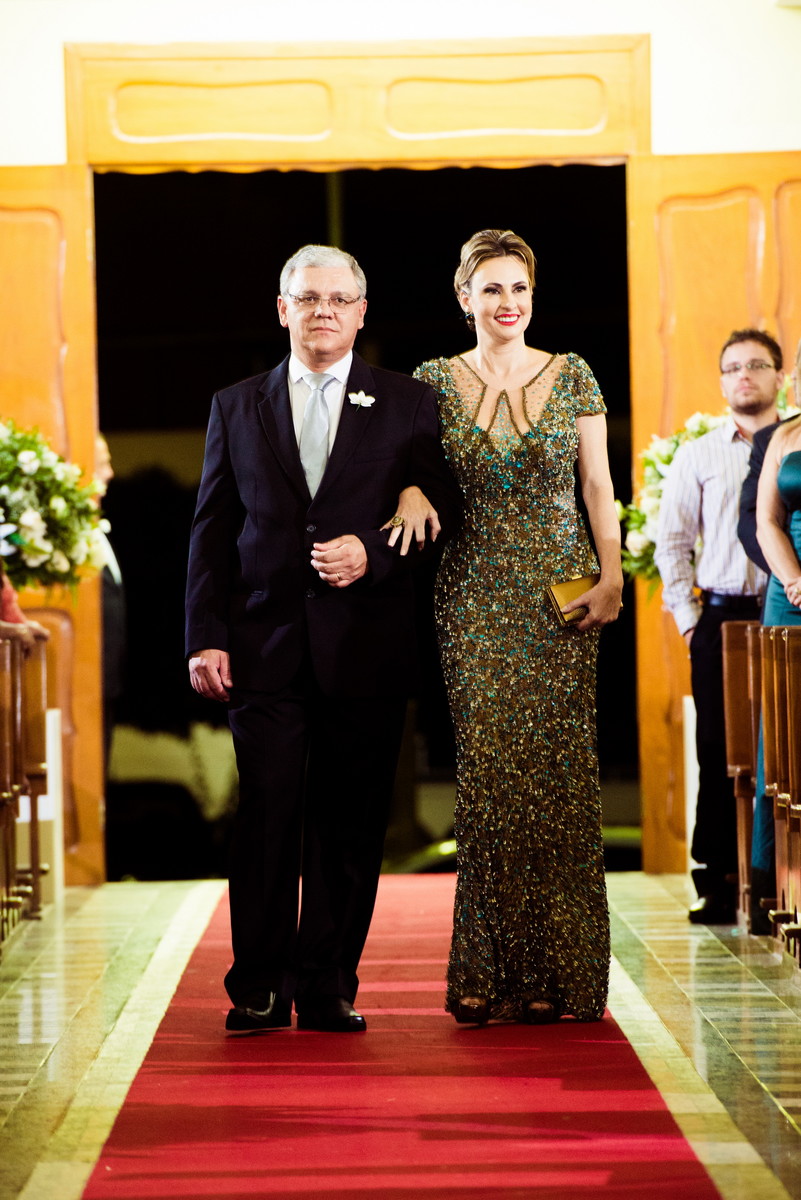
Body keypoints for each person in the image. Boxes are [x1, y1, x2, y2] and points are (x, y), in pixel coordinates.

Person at [185, 244, 460, 1035]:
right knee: (266, 815)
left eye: (339, 300)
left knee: (350, 822)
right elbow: (211, 529)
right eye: (308, 299)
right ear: (283, 310)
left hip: (366, 646)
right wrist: (205, 636)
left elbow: (442, 508)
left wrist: (372, 552)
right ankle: (258, 986)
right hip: (261, 645)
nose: (323, 312)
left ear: (361, 312)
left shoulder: (408, 401)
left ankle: (329, 984)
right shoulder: (235, 405)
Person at [391, 229, 623, 1025]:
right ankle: (487, 969)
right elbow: (407, 469)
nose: (507, 302)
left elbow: (597, 487)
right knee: (490, 777)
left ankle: (558, 972)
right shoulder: (430, 380)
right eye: (491, 288)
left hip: (562, 590)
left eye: (518, 287)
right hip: (471, 593)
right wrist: (410, 493)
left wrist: (612, 573)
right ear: (464, 298)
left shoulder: (574, 373)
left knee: (557, 778)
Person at [654, 329, 783, 925]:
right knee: (718, 750)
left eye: (757, 364)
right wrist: (690, 623)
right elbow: (673, 544)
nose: (744, 375)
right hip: (722, 616)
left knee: (786, 748)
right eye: (733, 368)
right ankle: (719, 880)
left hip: (785, 610)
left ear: (779, 375)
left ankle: (781, 875)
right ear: (722, 381)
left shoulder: (793, 446)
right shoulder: (700, 454)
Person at [747, 337, 801, 931]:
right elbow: (766, 520)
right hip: (791, 593)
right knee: (783, 732)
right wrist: (793, 579)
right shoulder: (784, 436)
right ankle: (775, 882)